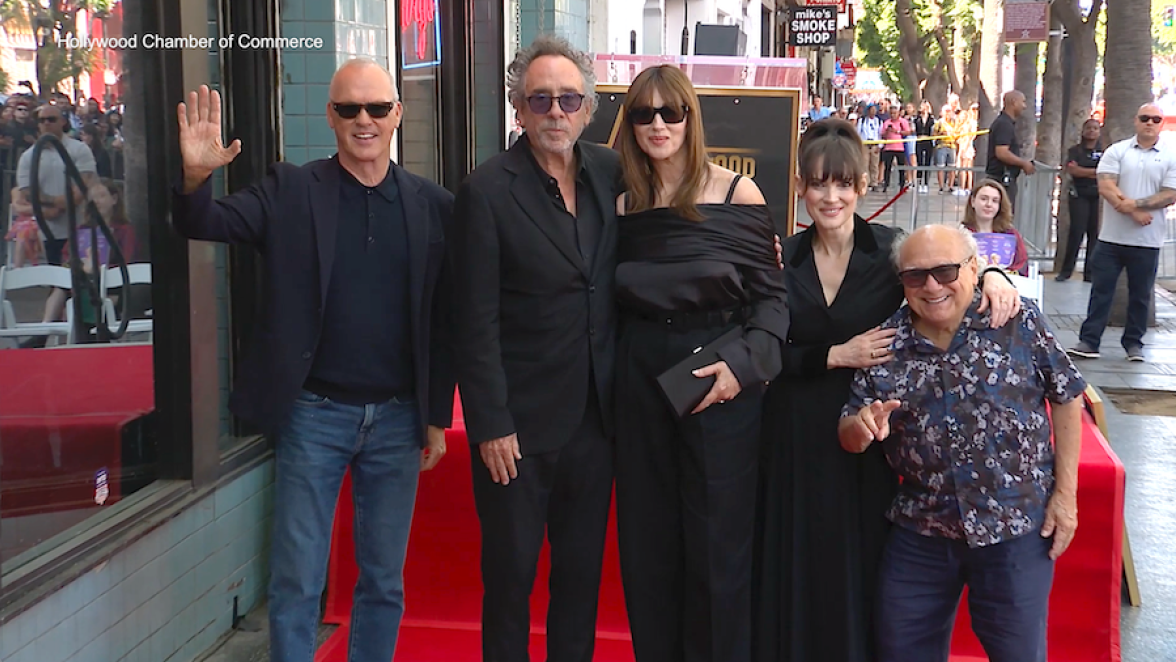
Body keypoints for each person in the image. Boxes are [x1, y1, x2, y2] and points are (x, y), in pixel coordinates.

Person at [171, 59, 455, 662]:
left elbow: (444, 318)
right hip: (314, 415)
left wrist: (434, 413)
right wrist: (195, 179)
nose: (364, 120)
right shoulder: (293, 189)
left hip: (398, 418)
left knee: (383, 580)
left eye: (377, 108)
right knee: (298, 579)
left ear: (397, 115)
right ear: (330, 116)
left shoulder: (433, 206)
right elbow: (203, 223)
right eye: (349, 108)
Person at [754, 119, 1022, 662]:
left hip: (869, 433)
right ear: (802, 188)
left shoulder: (889, 255)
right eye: (819, 184)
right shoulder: (782, 257)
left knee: (857, 562)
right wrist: (833, 355)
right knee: (794, 559)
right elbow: (758, 349)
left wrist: (997, 275)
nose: (831, 197)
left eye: (843, 184)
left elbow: (950, 273)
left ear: (862, 184)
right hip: (791, 430)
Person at [839, 224, 1085, 662]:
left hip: (1015, 528)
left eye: (945, 270)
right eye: (915, 276)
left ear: (974, 269)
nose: (931, 285)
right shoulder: (886, 344)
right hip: (922, 530)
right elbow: (850, 432)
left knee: (1018, 653)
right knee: (899, 650)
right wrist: (860, 428)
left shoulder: (1016, 319)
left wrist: (1065, 495)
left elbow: (1067, 395)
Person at [449, 35, 619, 662]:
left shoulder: (608, 171)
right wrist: (491, 424)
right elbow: (473, 319)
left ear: (588, 107)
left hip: (596, 423)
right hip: (516, 432)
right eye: (540, 98)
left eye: (568, 98)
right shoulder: (487, 191)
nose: (556, 111)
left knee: (579, 583)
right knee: (511, 582)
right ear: (518, 109)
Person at [611, 65, 787, 662]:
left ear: (691, 118)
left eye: (671, 112)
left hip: (720, 378)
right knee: (648, 544)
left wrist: (743, 364)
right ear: (630, 124)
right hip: (638, 378)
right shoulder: (621, 205)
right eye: (643, 114)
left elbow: (773, 299)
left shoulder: (738, 194)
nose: (657, 124)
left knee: (718, 549)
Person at [1067, 103, 1176, 363]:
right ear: (1136, 121)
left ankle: (1134, 344)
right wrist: (1132, 211)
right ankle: (1089, 341)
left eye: (1155, 119)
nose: (1150, 122)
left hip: (1147, 241)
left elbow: (1170, 194)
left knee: (1140, 295)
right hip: (1111, 240)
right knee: (1100, 292)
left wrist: (1136, 205)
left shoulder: (1171, 155)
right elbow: (1105, 184)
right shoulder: (1118, 150)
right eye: (1144, 118)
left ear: (1161, 124)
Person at [12, 102, 98, 347]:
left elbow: (82, 187)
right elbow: (27, 192)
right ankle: (57, 331)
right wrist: (55, 206)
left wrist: (57, 203)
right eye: (42, 120)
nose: (47, 124)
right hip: (50, 229)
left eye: (52, 119)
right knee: (59, 280)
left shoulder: (79, 150)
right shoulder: (29, 157)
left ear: (63, 121)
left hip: (81, 228)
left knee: (79, 280)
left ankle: (68, 330)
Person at [1057, 118, 1104, 282]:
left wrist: (1085, 171)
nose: (1092, 131)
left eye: (1095, 128)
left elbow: (1105, 172)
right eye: (1089, 128)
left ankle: (1089, 273)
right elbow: (1073, 170)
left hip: (1097, 195)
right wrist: (1094, 172)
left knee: (1094, 234)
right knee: (1076, 232)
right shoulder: (1074, 151)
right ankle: (1066, 271)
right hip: (1079, 194)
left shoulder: (1104, 151)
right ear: (1083, 131)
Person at [962, 179, 1028, 276]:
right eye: (984, 199)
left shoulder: (1011, 234)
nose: (989, 204)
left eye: (995, 201)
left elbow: (1021, 265)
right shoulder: (961, 234)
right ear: (972, 201)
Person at [985, 90, 1036, 210]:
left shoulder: (1006, 123)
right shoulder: (1004, 124)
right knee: (1003, 219)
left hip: (1003, 179)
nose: (1024, 106)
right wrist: (1023, 163)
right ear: (1014, 102)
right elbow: (1002, 152)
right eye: (1022, 102)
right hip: (1001, 180)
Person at [878, 111, 908, 193]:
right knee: (887, 167)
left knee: (901, 167)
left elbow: (907, 132)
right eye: (891, 113)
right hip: (888, 147)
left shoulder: (903, 122)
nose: (893, 115)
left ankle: (902, 184)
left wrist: (897, 131)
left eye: (894, 113)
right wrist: (887, 131)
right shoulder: (887, 122)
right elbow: (883, 135)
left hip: (899, 147)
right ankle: (886, 184)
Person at [933, 105, 959, 193]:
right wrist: (941, 134)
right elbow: (934, 135)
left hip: (952, 146)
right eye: (946, 111)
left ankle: (950, 186)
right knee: (941, 167)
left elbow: (957, 132)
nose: (948, 113)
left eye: (949, 111)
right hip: (942, 146)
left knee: (952, 167)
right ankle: (941, 186)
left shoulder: (954, 122)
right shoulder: (939, 123)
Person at [856, 106, 882, 190]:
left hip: (874, 144)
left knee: (874, 165)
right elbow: (858, 133)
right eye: (871, 110)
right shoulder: (862, 121)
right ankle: (866, 182)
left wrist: (880, 145)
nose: (873, 112)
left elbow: (880, 134)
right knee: (864, 164)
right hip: (865, 144)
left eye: (875, 110)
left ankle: (874, 182)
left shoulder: (878, 121)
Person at [913, 101, 935, 192]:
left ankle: (925, 183)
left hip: (928, 141)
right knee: (919, 162)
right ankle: (919, 181)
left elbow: (933, 130)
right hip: (919, 141)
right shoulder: (917, 119)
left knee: (927, 162)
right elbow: (914, 129)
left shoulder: (932, 119)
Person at [957, 102, 979, 193]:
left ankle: (963, 188)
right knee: (967, 169)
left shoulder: (969, 125)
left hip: (966, 147)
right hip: (964, 146)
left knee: (964, 168)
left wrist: (964, 148)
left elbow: (970, 137)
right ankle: (968, 187)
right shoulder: (964, 125)